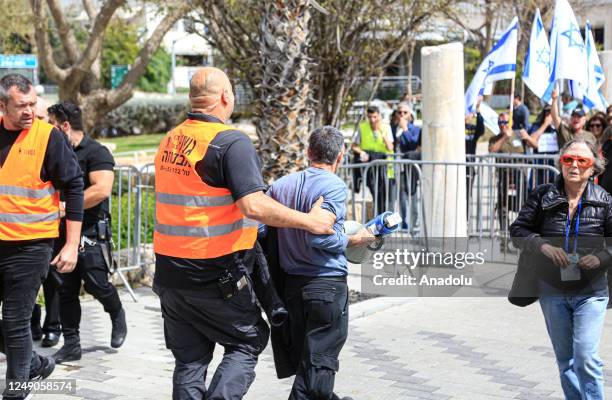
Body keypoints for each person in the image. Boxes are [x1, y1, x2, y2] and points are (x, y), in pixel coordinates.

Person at [152, 67, 335, 400]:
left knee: (190, 360)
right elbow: (253, 205)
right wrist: (311, 221)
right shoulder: (230, 142)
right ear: (226, 96)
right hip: (213, 273)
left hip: (170, 274)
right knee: (248, 339)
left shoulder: (172, 139)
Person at [267, 126, 374, 400]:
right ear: (340, 156)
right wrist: (354, 240)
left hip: (293, 288)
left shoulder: (280, 186)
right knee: (317, 370)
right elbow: (320, 238)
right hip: (325, 287)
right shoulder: (334, 186)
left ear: (308, 152)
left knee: (311, 367)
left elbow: (261, 232)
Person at [0, 74, 84, 399]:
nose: (30, 111)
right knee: (13, 325)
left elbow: (74, 187)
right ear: (3, 105)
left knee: (16, 320)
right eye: (22, 105)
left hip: (32, 246)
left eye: (33, 103)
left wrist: (72, 245)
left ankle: (16, 391)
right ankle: (33, 363)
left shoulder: (48, 137)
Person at [510, 138, 611, 400]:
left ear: (593, 168)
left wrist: (600, 257)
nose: (574, 165)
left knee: (585, 357)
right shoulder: (543, 195)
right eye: (568, 160)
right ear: (561, 163)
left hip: (591, 290)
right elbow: (518, 230)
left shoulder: (605, 201)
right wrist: (543, 246)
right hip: (552, 289)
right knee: (565, 360)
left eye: (582, 161)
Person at [46, 101, 127, 364]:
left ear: (65, 126)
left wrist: (64, 207)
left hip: (91, 231)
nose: (47, 130)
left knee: (96, 283)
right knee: (65, 289)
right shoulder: (53, 152)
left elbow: (101, 189)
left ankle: (117, 312)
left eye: (51, 125)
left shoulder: (96, 151)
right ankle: (72, 344)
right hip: (61, 231)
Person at [29, 96, 62, 348]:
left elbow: (74, 189)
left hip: (49, 230)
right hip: (17, 235)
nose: (35, 123)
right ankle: (32, 326)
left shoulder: (54, 144)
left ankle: (53, 326)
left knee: (53, 281)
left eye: (41, 118)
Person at [489, 113, 524, 251]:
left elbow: (526, 149)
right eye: (500, 122)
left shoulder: (518, 137)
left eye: (505, 122)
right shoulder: (494, 138)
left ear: (511, 122)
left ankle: (519, 240)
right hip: (504, 178)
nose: (503, 124)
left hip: (517, 177)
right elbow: (492, 151)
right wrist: (504, 137)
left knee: (521, 210)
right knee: (503, 210)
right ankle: (504, 242)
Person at [351, 106, 394, 215]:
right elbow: (354, 146)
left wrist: (382, 133)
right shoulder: (362, 127)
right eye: (370, 117)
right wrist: (362, 152)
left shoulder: (386, 127)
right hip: (370, 167)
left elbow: (390, 147)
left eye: (375, 117)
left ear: (379, 116)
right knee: (375, 193)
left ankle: (387, 221)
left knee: (386, 196)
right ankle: (379, 219)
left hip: (385, 168)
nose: (373, 120)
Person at [395, 103, 421, 233]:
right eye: (399, 113)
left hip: (410, 168)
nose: (402, 115)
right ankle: (402, 223)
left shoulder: (415, 129)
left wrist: (405, 129)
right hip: (395, 167)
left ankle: (413, 226)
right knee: (400, 199)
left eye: (405, 113)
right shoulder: (393, 128)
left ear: (410, 115)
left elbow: (413, 143)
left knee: (412, 198)